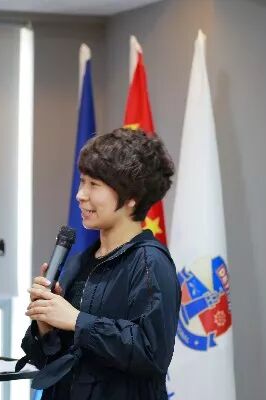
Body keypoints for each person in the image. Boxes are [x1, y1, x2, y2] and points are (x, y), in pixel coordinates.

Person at [19, 128, 181, 400]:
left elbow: (152, 353)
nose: (80, 195)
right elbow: (49, 361)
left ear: (132, 198)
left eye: (94, 185)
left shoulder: (150, 262)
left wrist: (77, 320)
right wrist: (46, 325)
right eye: (82, 182)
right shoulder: (80, 263)